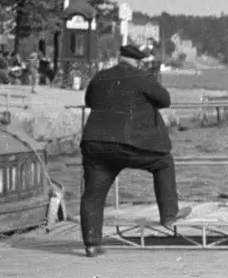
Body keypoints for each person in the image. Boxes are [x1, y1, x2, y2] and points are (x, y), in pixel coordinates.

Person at [79, 43, 191, 258]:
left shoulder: (100, 76)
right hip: (131, 143)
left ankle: (91, 244)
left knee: (93, 194)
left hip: (96, 143)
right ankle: (169, 215)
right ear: (138, 61)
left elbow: (90, 100)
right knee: (163, 163)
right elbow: (164, 100)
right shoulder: (142, 76)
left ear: (119, 58)